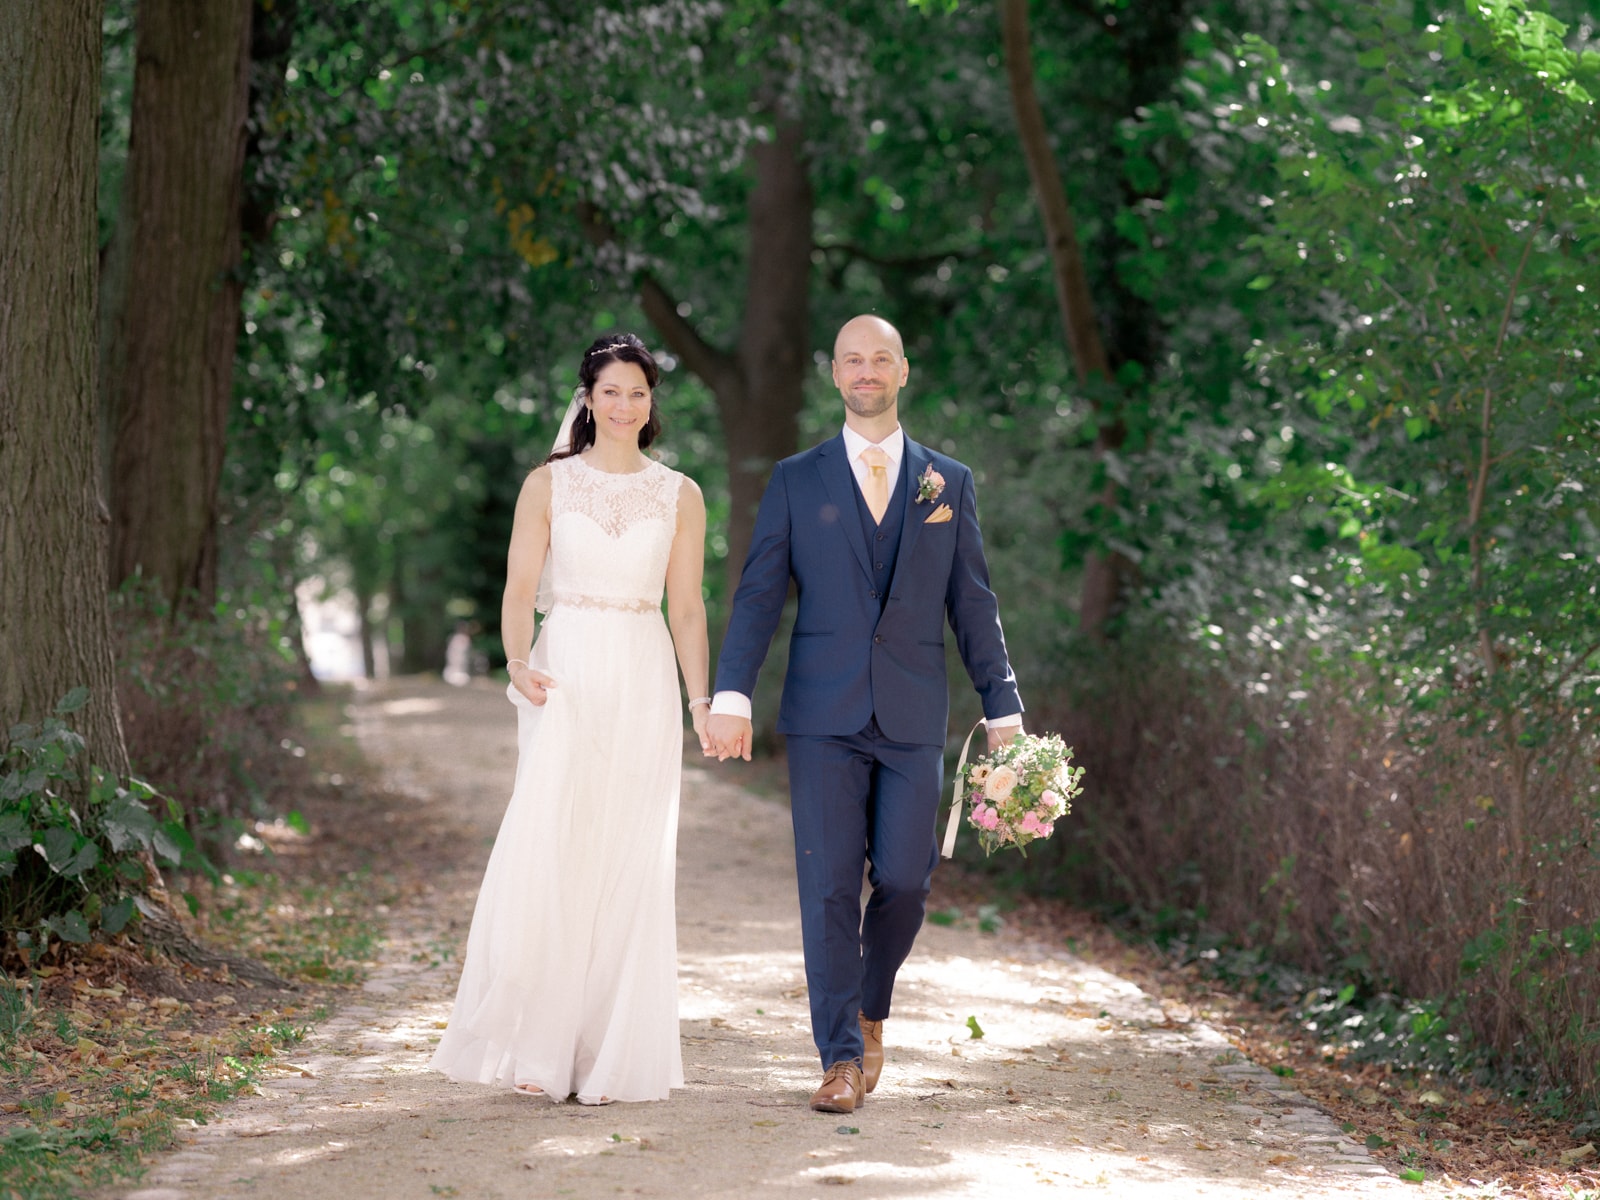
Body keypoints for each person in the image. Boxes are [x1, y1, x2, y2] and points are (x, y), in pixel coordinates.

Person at [706, 314, 1023, 1114]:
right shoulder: (796, 479)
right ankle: (840, 1058)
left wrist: (1004, 705)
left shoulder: (948, 481)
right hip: (822, 714)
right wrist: (733, 692)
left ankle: (871, 1006)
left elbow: (973, 603)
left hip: (913, 712)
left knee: (908, 881)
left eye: (882, 358)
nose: (867, 370)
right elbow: (758, 595)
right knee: (828, 887)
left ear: (903, 370)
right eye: (853, 359)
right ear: (836, 374)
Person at [431, 333, 711, 1105]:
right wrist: (517, 660)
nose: (625, 405)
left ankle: (609, 1056)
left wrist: (700, 701)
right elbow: (520, 591)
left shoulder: (680, 494)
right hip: (568, 671)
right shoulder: (547, 485)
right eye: (611, 391)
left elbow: (687, 608)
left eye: (638, 392)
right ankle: (542, 1048)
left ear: (652, 403)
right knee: (557, 841)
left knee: (629, 855)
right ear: (588, 398)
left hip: (644, 671)